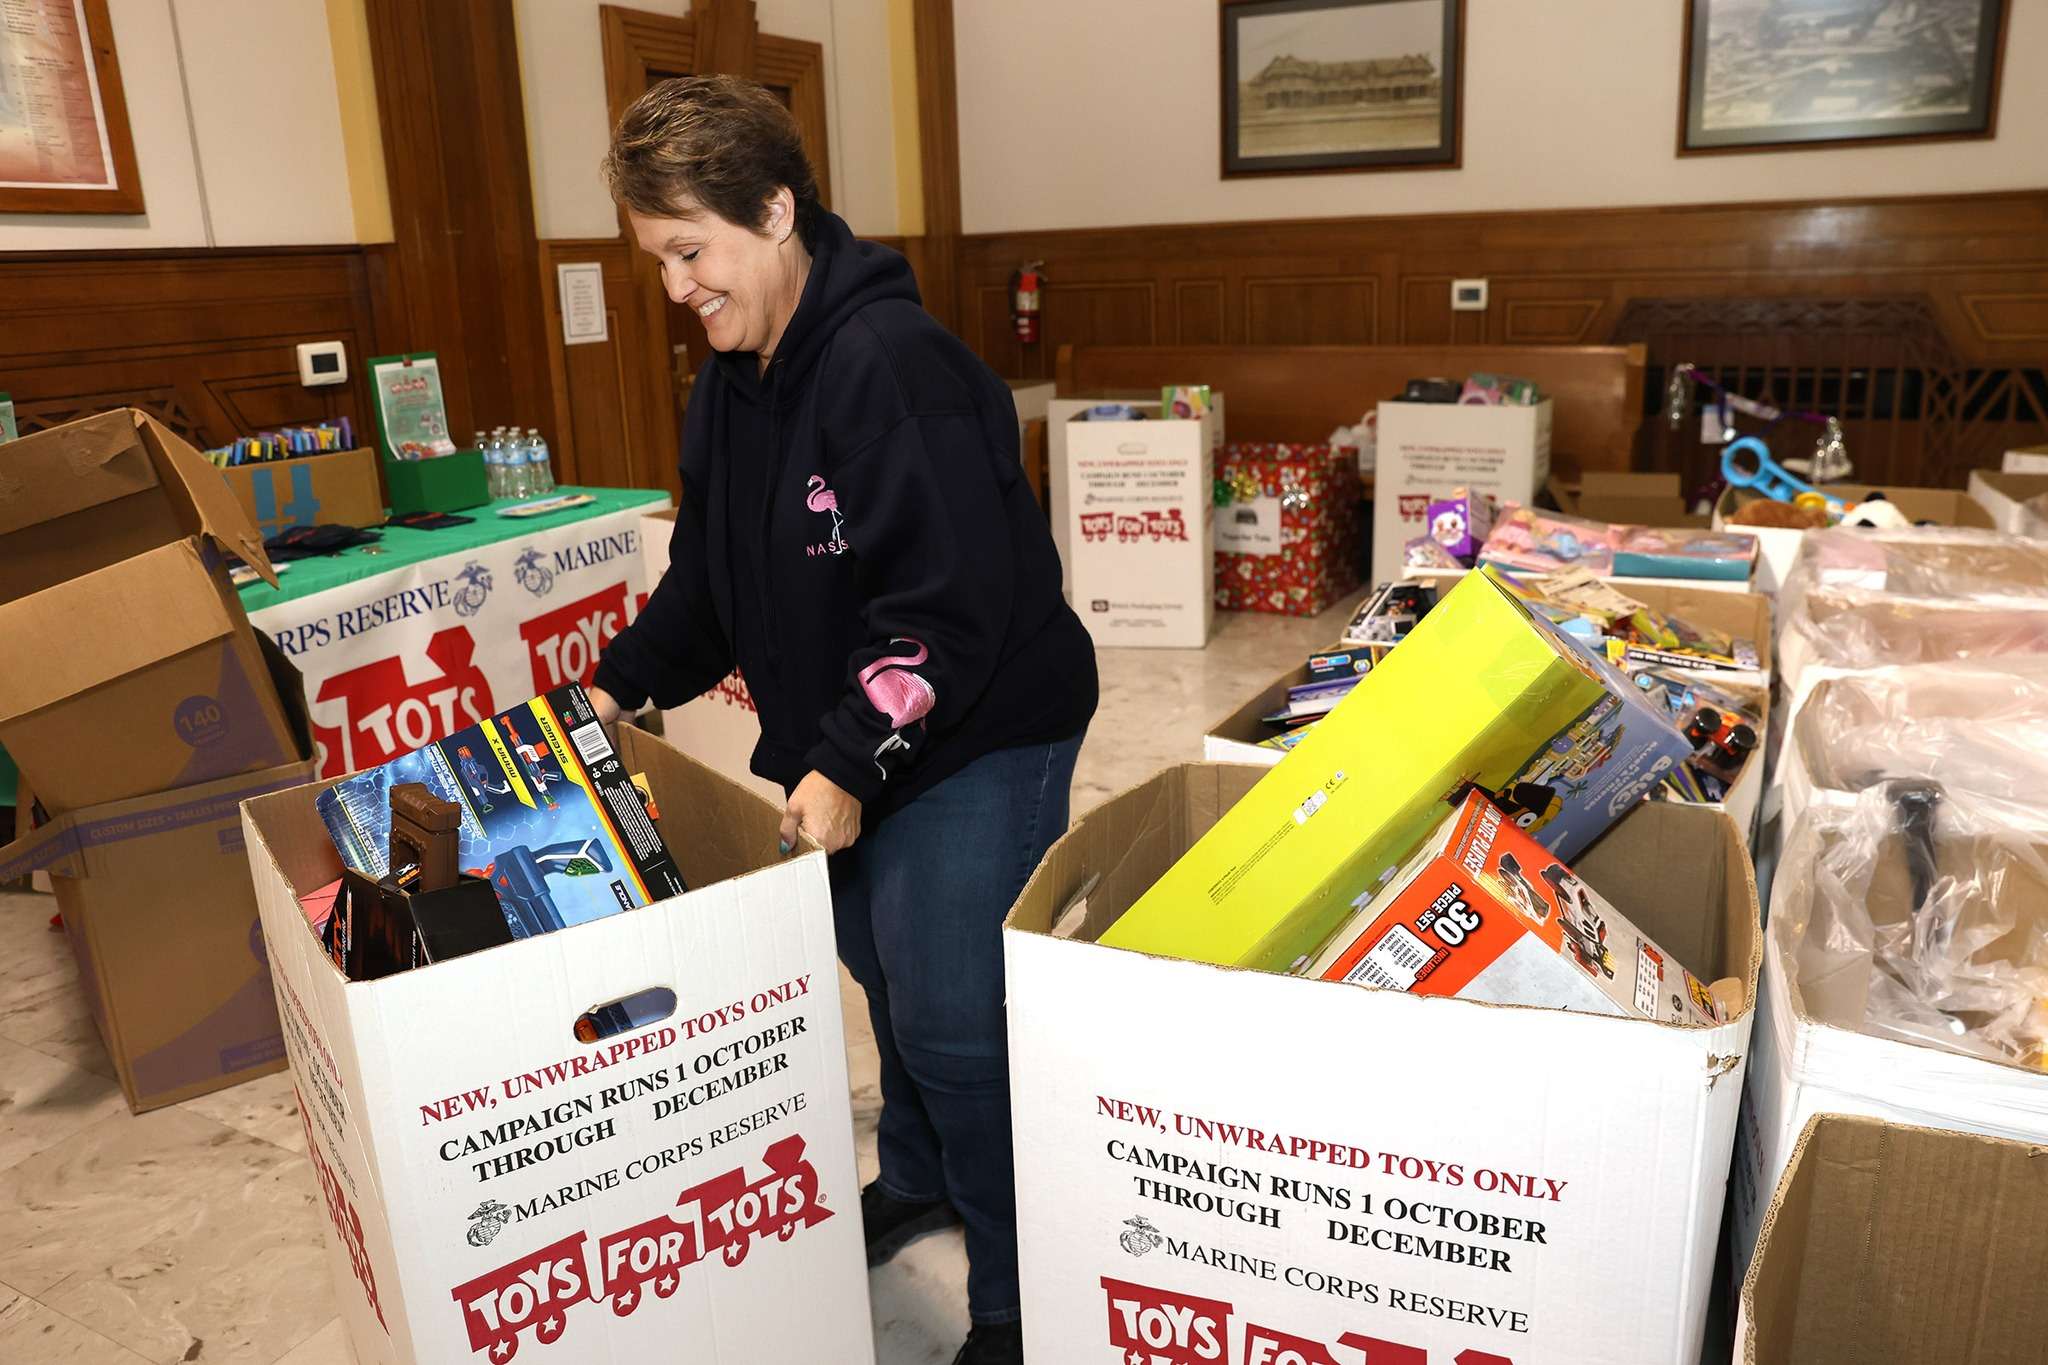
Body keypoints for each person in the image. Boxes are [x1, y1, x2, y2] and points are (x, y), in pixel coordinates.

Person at [587, 75, 1096, 1365]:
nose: (676, 289)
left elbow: (947, 613)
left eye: (691, 252)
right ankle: (919, 1172)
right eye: (656, 261)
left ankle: (1022, 1293)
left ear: (775, 210)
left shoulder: (892, 368)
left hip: (980, 724)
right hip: (862, 735)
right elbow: (707, 583)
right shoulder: (730, 385)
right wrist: (613, 684)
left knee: (948, 1012)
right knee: (880, 965)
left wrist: (851, 761)